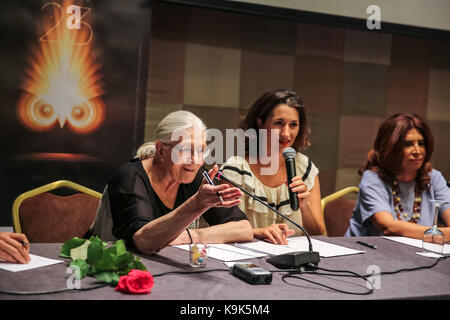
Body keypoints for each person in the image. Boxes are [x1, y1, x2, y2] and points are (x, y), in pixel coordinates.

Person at [88, 111, 253, 254]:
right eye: (185, 150)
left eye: (201, 150)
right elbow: (144, 242)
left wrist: (190, 236)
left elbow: (243, 228)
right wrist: (197, 204)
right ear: (161, 150)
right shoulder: (130, 178)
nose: (195, 160)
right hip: (112, 270)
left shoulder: (196, 175)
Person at [220, 89, 325, 244]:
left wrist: (305, 207)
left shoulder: (305, 169)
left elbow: (317, 234)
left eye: (293, 125)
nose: (286, 134)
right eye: (278, 123)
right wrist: (256, 233)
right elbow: (219, 230)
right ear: (260, 122)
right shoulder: (235, 171)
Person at [346, 113, 450, 240]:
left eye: (421, 143)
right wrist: (441, 235)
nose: (417, 151)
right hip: (369, 254)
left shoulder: (434, 177)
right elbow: (388, 227)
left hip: (417, 255)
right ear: (390, 148)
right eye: (408, 144)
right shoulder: (372, 178)